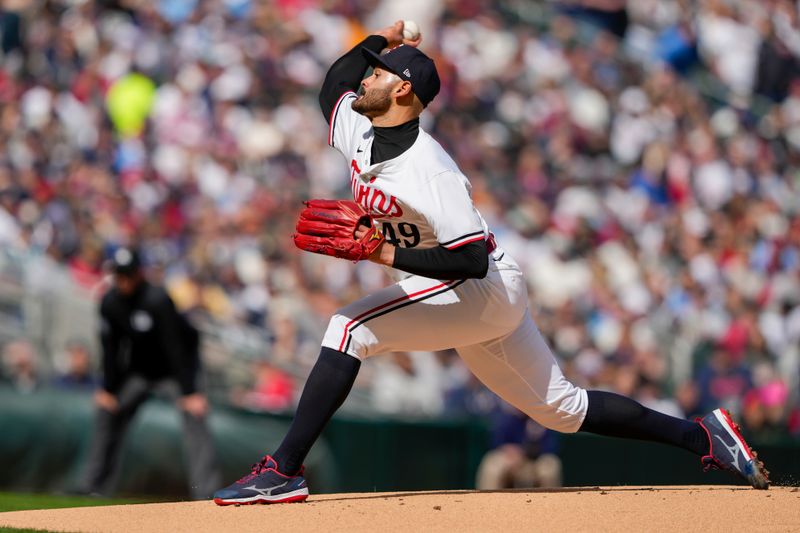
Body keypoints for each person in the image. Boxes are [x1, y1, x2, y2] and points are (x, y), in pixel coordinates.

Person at [213, 21, 769, 505]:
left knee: (348, 327)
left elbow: (471, 259)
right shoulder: (361, 128)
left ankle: (283, 471)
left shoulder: (429, 171)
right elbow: (333, 83)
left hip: (480, 287)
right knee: (564, 410)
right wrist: (386, 38)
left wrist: (382, 251)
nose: (366, 77)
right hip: (478, 296)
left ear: (403, 90)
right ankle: (705, 437)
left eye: (379, 72)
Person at [82, 247, 220, 499]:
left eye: (128, 275)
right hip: (140, 371)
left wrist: (190, 392)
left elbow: (176, 348)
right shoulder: (110, 302)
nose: (123, 281)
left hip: (175, 371)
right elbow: (111, 348)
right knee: (107, 410)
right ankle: (93, 487)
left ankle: (206, 492)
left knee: (195, 415)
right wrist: (108, 389)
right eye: (119, 275)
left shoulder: (157, 299)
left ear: (139, 275)